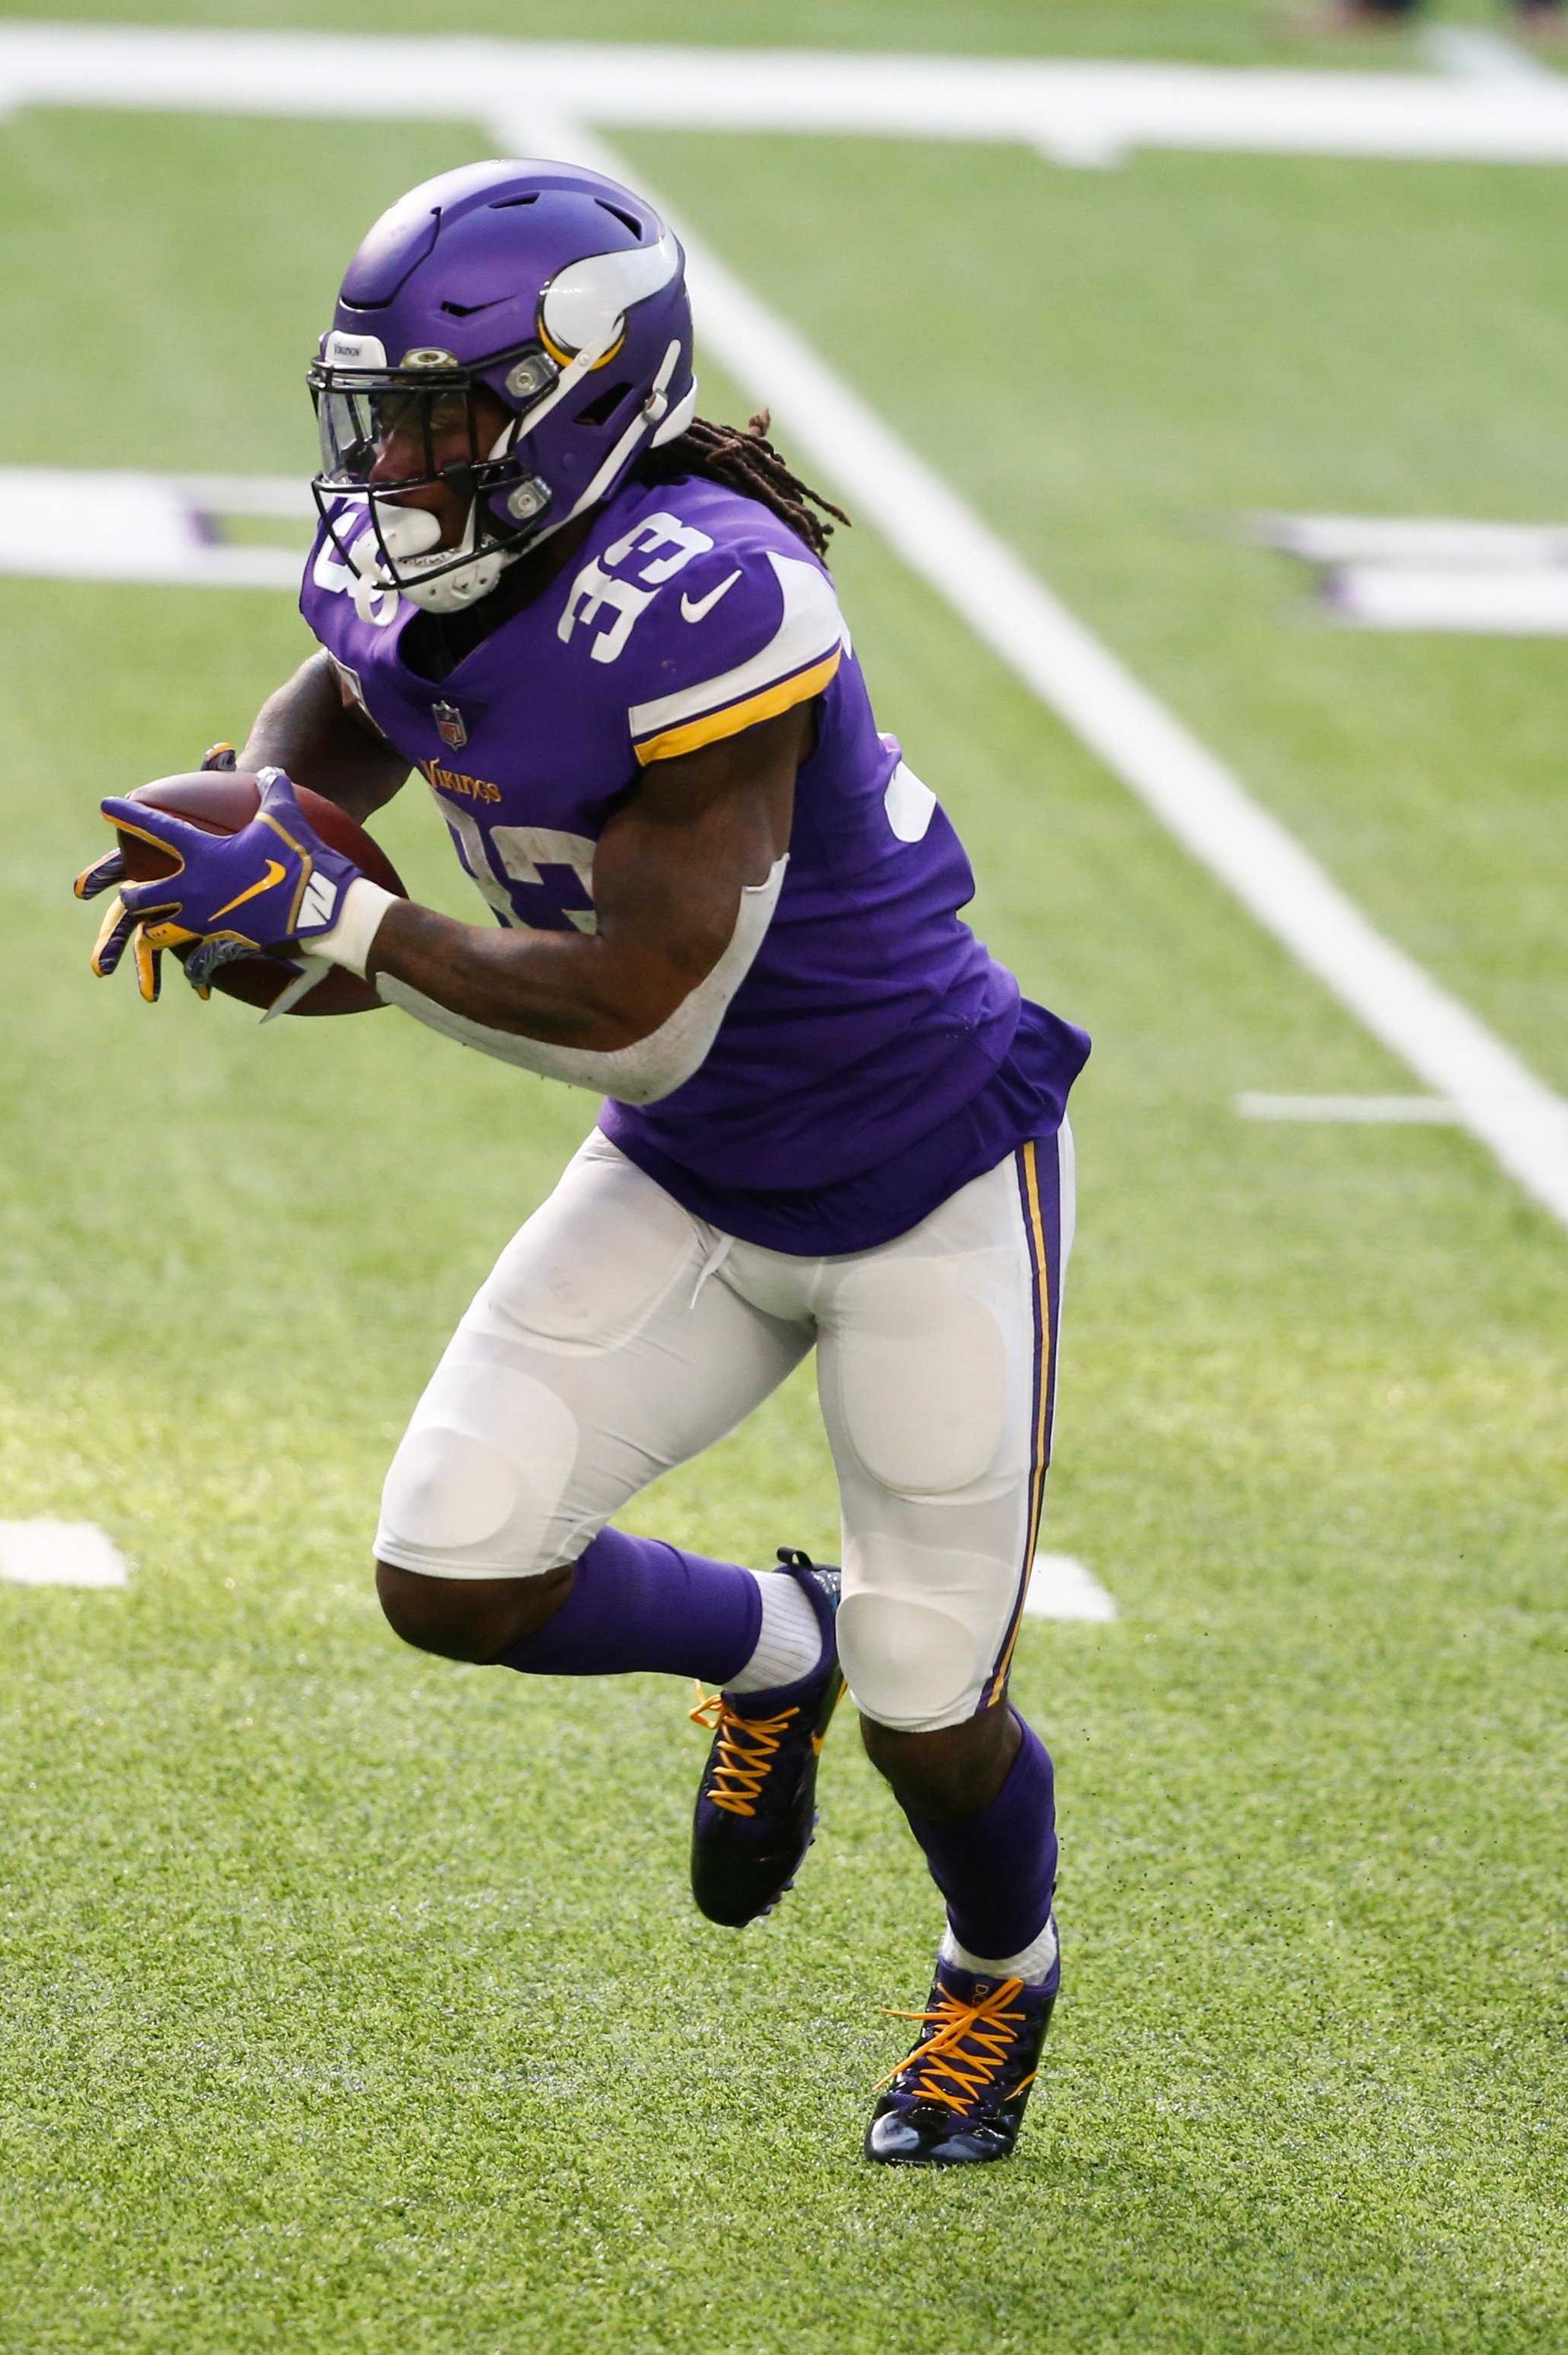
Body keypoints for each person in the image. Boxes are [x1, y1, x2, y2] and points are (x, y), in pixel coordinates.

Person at [72, 159, 1090, 2166]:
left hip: (918, 1170)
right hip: (695, 1170)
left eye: (443, 421)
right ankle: (771, 1644)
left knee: (932, 1700)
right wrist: (233, 834)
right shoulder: (422, 560)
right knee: (451, 1566)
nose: (399, 467)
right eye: (379, 420)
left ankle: (1000, 1967)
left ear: (580, 396)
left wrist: (341, 922)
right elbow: (338, 717)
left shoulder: (711, 594)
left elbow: (644, 1012)